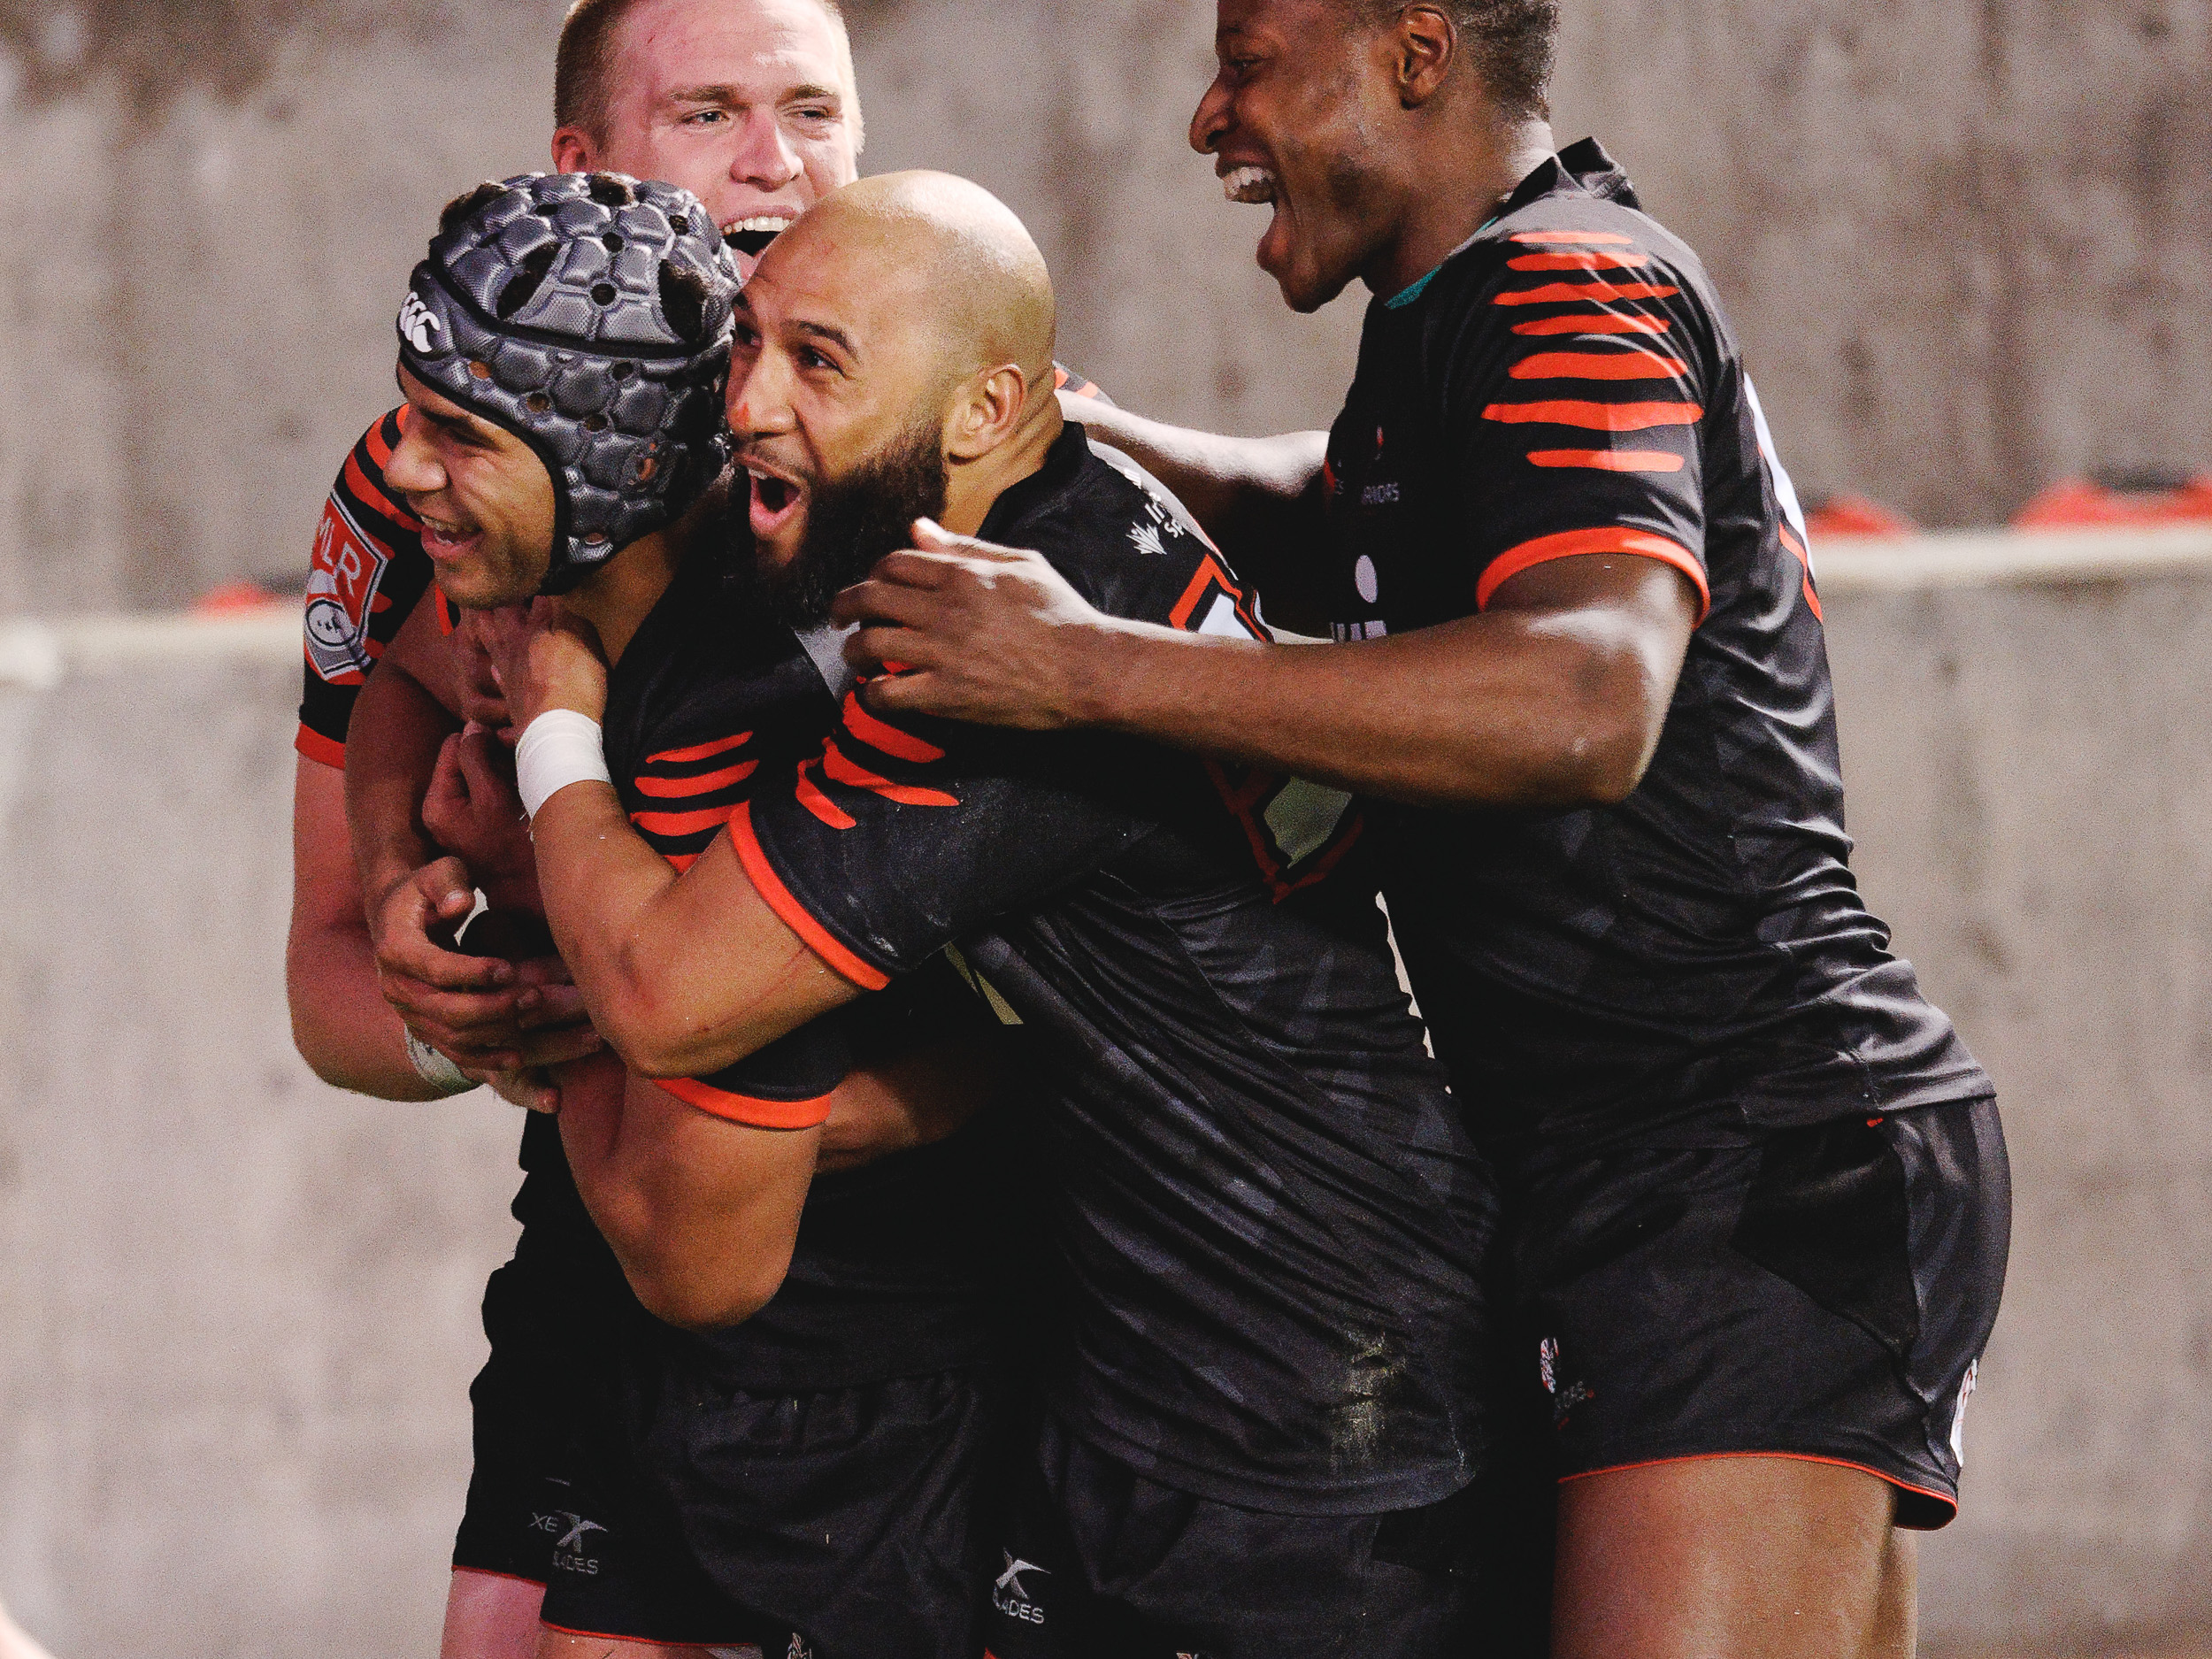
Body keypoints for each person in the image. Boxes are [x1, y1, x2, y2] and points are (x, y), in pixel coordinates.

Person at [824, 5, 2011, 1656]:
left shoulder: (1569, 287)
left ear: (1418, 52)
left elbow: (1587, 696)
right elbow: (1337, 517)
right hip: (1654, 1163)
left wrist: (1083, 667)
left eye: (1249, 56)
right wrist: (1056, 427)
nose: (1208, 115)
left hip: (1746, 1152)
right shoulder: (1457, 315)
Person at [489, 170, 1507, 1659]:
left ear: (983, 410)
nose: (748, 405)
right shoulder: (1073, 518)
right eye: (748, 343)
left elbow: (660, 994)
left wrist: (555, 720)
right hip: (1188, 1377)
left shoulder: (990, 652)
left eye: (820, 362)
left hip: (1309, 1421)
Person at [357, 172, 1022, 1658]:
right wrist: (396, 873)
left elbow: (693, 1254)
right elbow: (385, 669)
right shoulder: (560, 605)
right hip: (665, 1378)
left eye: (457, 434)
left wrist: (535, 908)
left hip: (852, 1424)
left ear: (605, 459)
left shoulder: (738, 708)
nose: (400, 467)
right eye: (407, 415)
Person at [280, 4, 871, 1653]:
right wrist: (448, 989)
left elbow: (1029, 1042)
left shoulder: (943, 461)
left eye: (816, 110)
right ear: (584, 172)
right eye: (709, 114)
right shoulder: (431, 479)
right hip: (612, 1238)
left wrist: (616, 985)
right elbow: (329, 983)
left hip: (925, 1293)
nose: (777, 163)